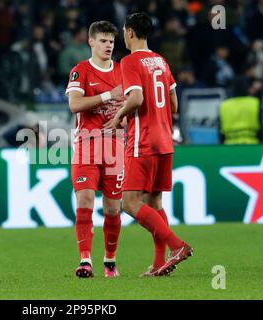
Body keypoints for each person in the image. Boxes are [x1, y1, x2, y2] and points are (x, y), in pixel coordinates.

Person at [105, 12, 193, 277]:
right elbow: (174, 105)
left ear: (130, 32)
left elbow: (137, 98)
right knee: (155, 202)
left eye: (123, 31)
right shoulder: (162, 62)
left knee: (129, 203)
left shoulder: (129, 61)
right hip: (166, 139)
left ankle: (177, 246)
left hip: (143, 139)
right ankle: (158, 264)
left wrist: (119, 116)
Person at [65, 21, 124, 278]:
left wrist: (122, 118)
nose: (108, 45)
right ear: (91, 42)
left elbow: (133, 105)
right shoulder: (80, 71)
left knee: (113, 208)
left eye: (111, 41)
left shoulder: (123, 70)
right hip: (86, 145)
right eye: (102, 40)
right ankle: (85, 261)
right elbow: (75, 104)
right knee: (85, 201)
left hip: (115, 148)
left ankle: (109, 260)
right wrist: (109, 95)